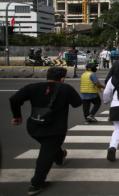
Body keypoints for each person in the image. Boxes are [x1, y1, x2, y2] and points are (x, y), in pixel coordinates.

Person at [10, 67, 81, 195]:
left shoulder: (32, 87)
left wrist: (17, 116)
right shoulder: (66, 88)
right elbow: (77, 103)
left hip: (34, 126)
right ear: (62, 78)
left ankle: (59, 156)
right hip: (55, 129)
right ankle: (36, 184)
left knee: (49, 146)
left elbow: (14, 99)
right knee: (46, 153)